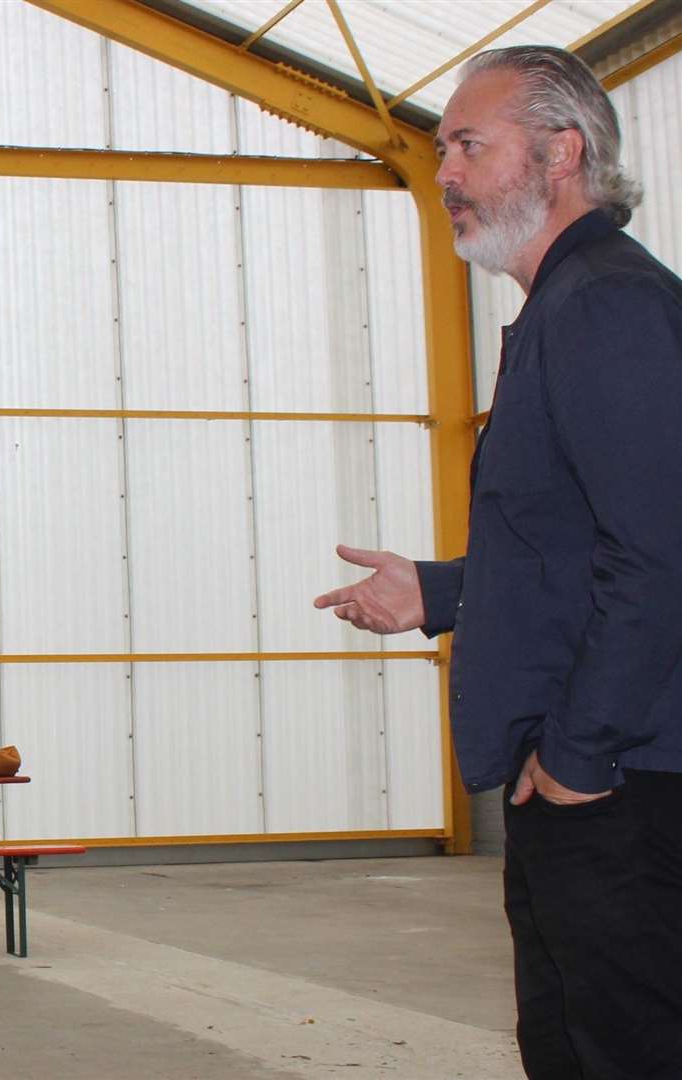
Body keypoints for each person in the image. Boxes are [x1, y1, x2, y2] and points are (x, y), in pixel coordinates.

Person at [313, 45, 682, 1080]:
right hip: (596, 780)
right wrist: (437, 591)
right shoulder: (564, 308)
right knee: (567, 1046)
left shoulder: (605, 306)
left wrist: (576, 760)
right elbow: (580, 546)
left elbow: (659, 556)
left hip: (625, 785)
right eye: (441, 151)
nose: (445, 175)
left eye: (468, 146)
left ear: (560, 153)